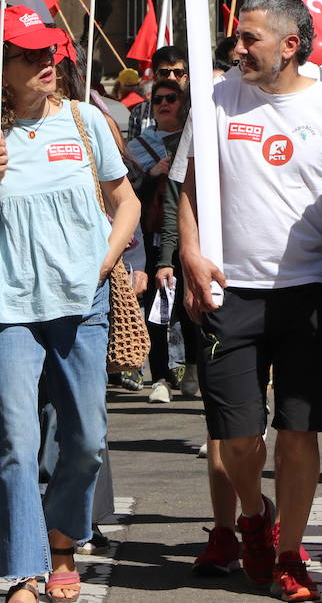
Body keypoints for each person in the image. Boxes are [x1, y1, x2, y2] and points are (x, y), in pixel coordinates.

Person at [176, 0, 322, 603]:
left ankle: (290, 553)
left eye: (249, 38)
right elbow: (187, 188)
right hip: (228, 295)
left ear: (290, 44)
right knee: (237, 437)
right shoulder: (214, 99)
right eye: (237, 37)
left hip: (308, 291)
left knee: (298, 434)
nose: (238, 49)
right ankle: (253, 518)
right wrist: (188, 254)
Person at [0, 5, 140, 603]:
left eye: (48, 51)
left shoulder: (86, 121)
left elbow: (126, 201)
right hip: (6, 309)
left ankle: (64, 541)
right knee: (14, 442)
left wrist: (106, 260)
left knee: (86, 441)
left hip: (81, 303)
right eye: (30, 56)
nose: (47, 62)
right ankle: (25, 571)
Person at [127, 77, 191, 404]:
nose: (164, 104)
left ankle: (192, 367)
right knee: (158, 308)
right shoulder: (140, 144)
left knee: (190, 307)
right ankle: (161, 376)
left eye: (171, 98)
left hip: (189, 238)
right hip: (153, 238)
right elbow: (123, 191)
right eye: (158, 100)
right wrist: (150, 175)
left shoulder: (195, 141)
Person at [127, 45, 189, 139]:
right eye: (164, 73)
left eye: (178, 73)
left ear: (185, 78)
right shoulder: (139, 112)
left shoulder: (197, 111)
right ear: (155, 78)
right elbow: (132, 152)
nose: (171, 78)